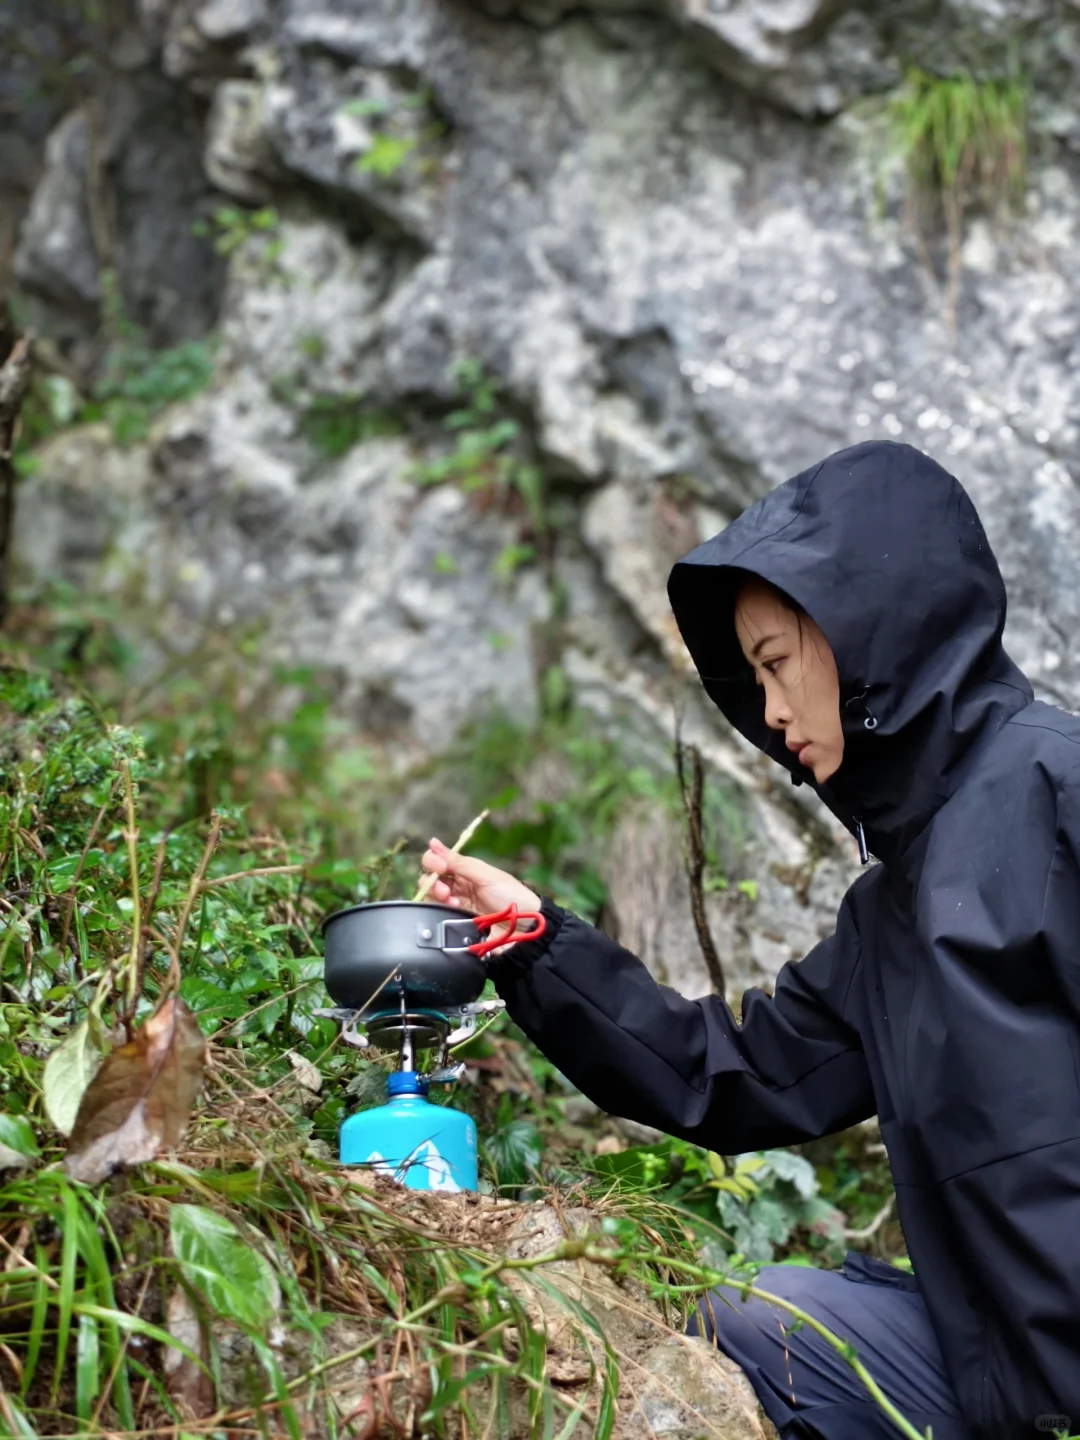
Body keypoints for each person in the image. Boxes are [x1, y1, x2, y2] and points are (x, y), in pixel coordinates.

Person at [420, 440, 1080, 1440]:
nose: (769, 715)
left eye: (776, 663)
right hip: (1000, 1380)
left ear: (871, 635)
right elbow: (731, 1072)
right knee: (756, 1323)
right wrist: (535, 942)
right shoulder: (886, 916)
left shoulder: (1057, 792)